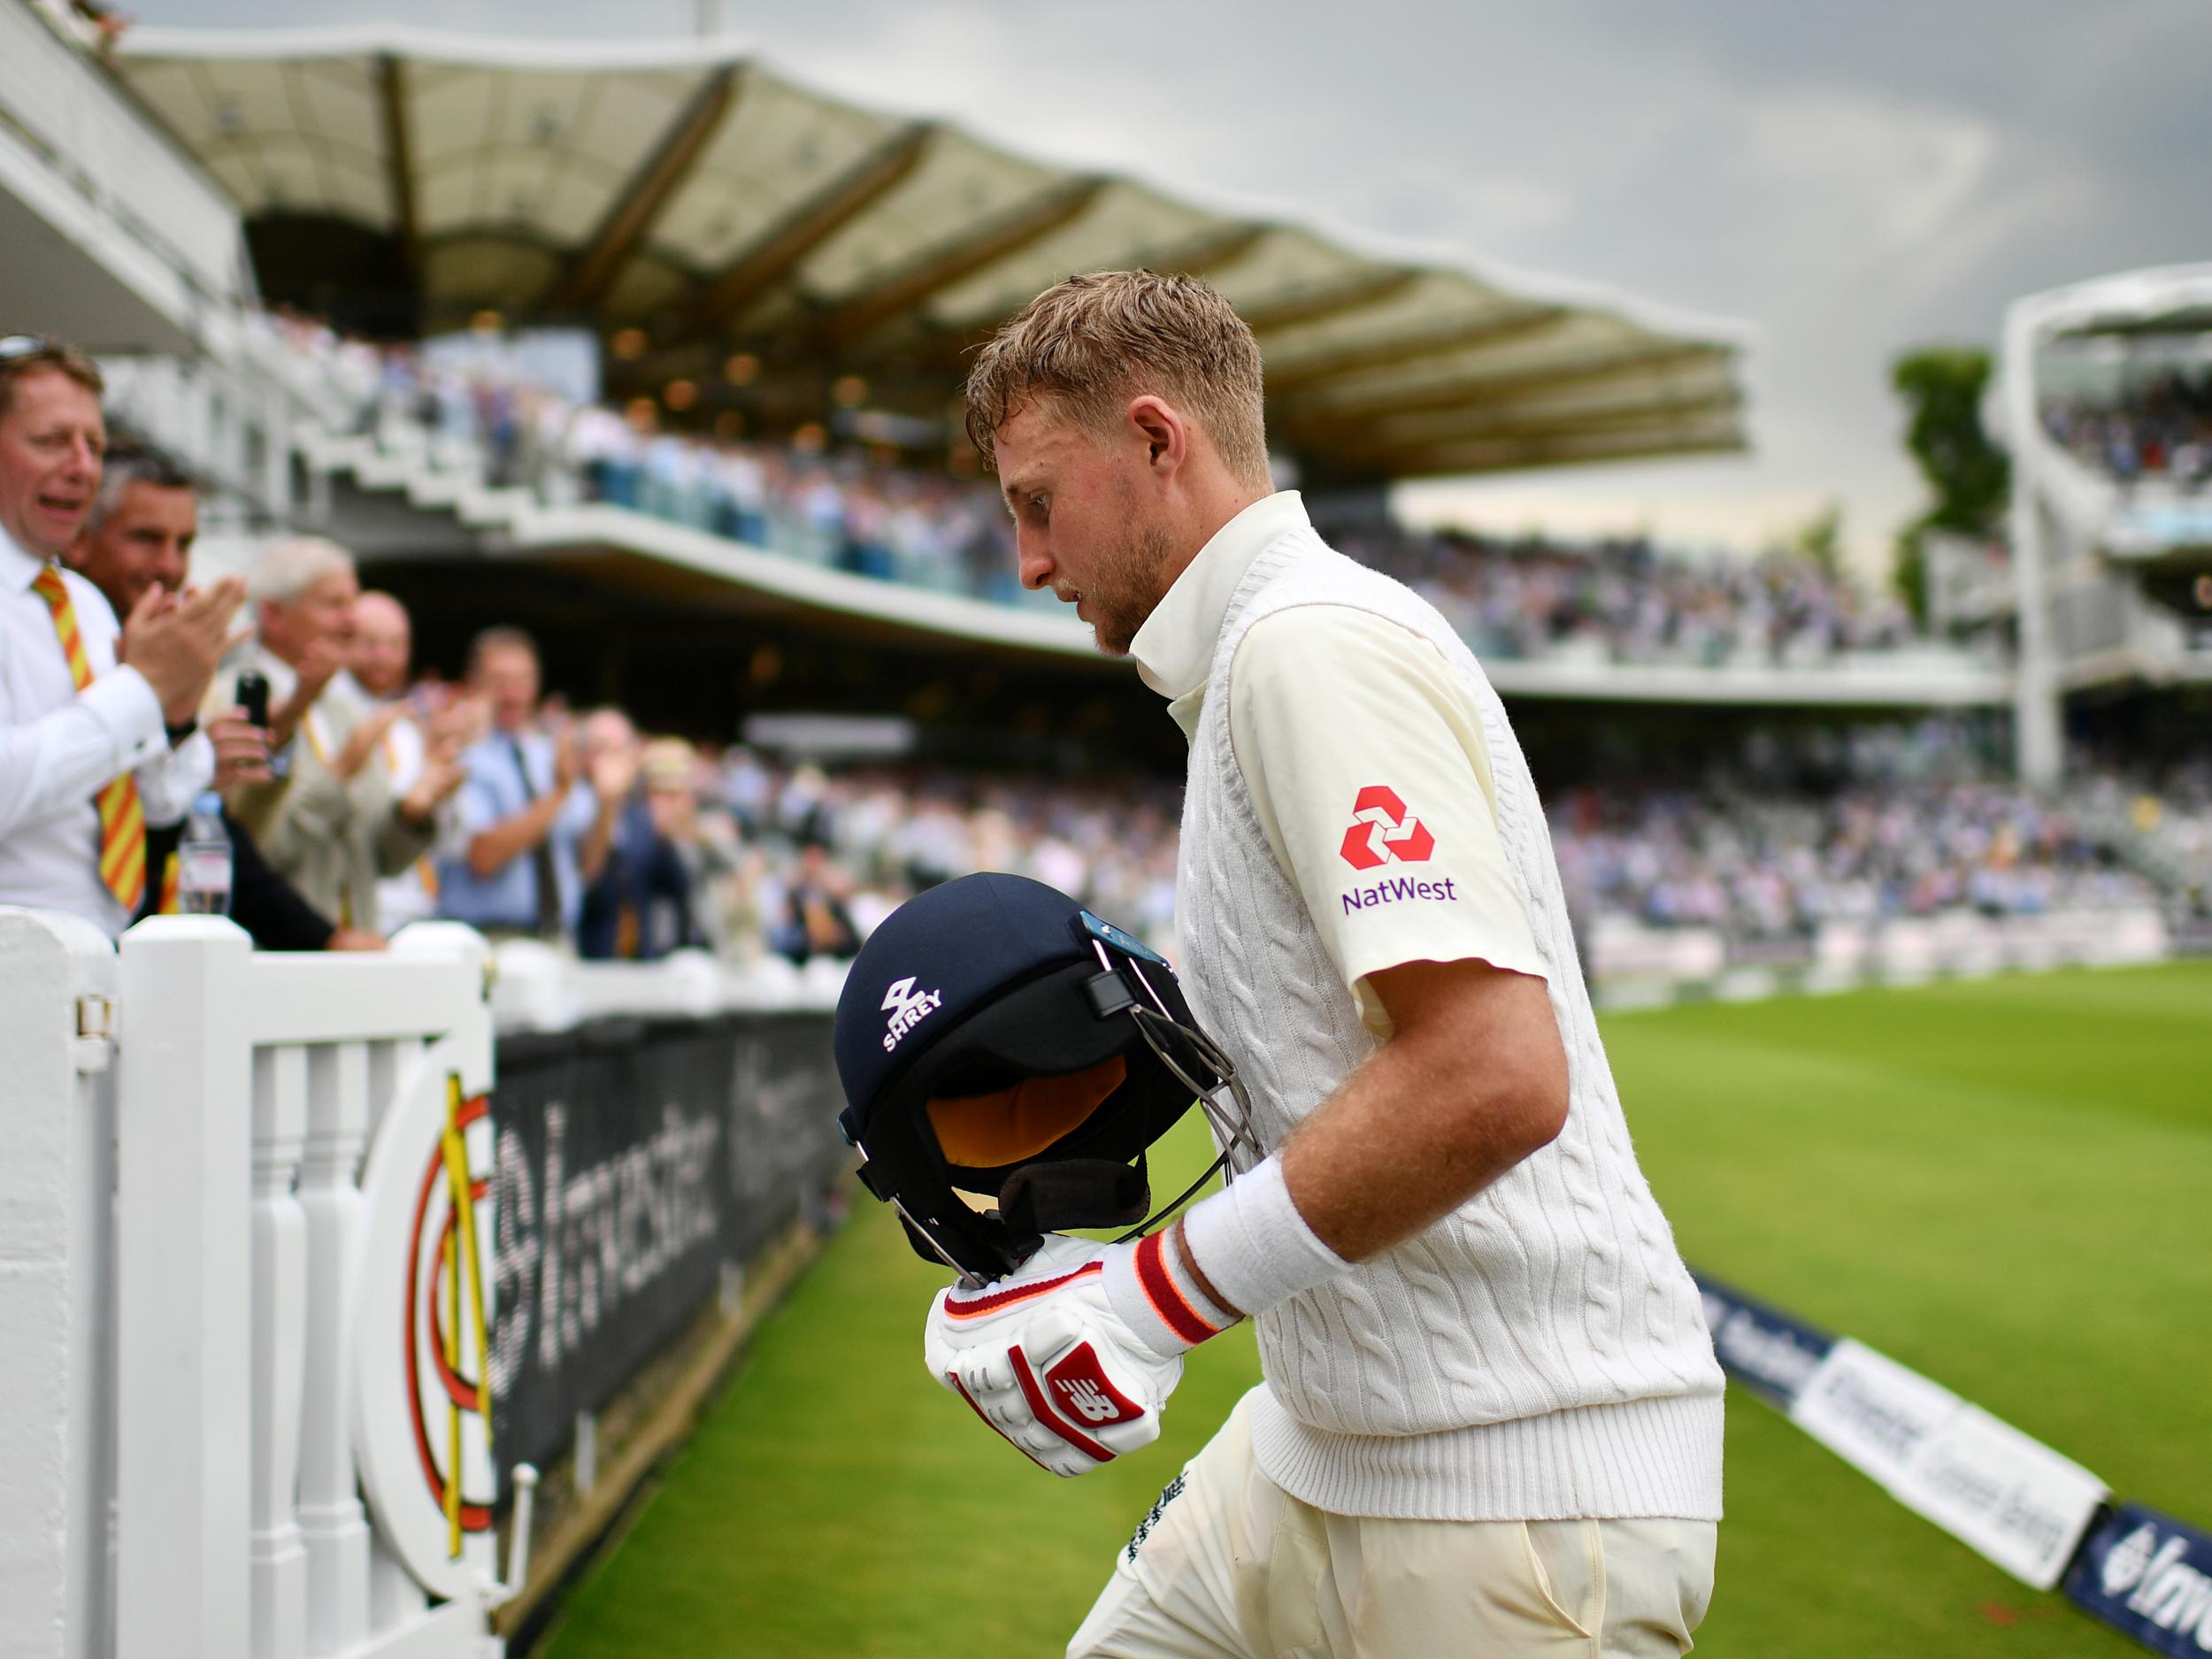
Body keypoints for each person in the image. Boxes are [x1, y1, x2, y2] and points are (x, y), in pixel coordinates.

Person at [929, 273, 1724, 1659]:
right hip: (1323, 1448)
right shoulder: (1254, 653)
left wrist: (1143, 1298)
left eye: (1038, 502)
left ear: (1159, 442)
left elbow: (1494, 1072)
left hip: (1513, 1492)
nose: (1030, 564)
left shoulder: (1307, 646)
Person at [70, 449, 381, 949]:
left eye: (184, 543)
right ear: (82, 539)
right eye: (146, 539)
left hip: (154, 950)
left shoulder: (347, 708)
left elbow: (206, 828)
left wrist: (325, 937)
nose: (169, 566)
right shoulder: (60, 642)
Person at [0, 337, 244, 939]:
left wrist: (176, 713)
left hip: (99, 957)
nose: (83, 466)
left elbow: (155, 803)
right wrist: (142, 689)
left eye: (95, 445)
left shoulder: (82, 602)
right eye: (51, 440)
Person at [213, 538, 446, 935]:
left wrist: (414, 812)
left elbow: (381, 861)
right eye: (333, 604)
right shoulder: (229, 701)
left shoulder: (345, 711)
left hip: (356, 952)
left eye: (352, 603)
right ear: (274, 615)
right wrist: (339, 773)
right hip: (280, 954)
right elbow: (256, 852)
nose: (351, 620)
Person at [435, 627, 620, 941]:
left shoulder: (547, 753)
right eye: (500, 682)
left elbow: (587, 867)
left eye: (523, 681)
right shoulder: (462, 757)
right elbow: (483, 856)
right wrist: (560, 793)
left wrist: (608, 802)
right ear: (475, 684)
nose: (513, 694)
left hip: (556, 936)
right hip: (490, 935)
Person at [349, 588, 475, 932]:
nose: (384, 657)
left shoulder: (409, 730)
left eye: (396, 645)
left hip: (419, 909)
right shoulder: (330, 719)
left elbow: (452, 843)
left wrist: (442, 782)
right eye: (371, 642)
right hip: (362, 911)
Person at [574, 714, 697, 960]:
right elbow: (588, 887)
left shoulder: (640, 819)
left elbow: (680, 887)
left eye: (618, 751)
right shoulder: (571, 807)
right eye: (600, 749)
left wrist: (678, 832)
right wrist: (606, 804)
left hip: (640, 960)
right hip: (588, 960)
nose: (610, 760)